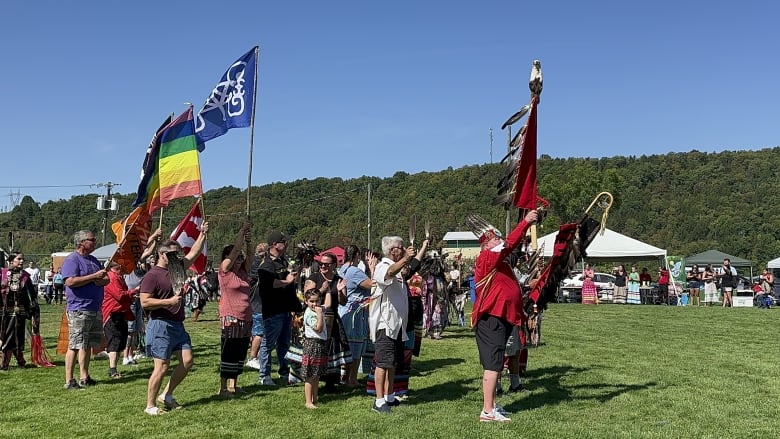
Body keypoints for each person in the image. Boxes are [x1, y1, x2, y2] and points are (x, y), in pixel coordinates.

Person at [469, 210, 538, 423]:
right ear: (485, 245)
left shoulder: (500, 262)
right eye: (495, 238)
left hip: (500, 316)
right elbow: (510, 243)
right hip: (491, 317)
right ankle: (487, 411)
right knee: (492, 364)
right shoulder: (487, 257)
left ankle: (492, 405)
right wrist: (525, 222)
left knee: (497, 362)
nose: (500, 241)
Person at [139, 222, 208, 416]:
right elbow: (145, 302)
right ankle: (150, 405)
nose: (177, 258)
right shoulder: (152, 276)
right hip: (160, 324)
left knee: (187, 361)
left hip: (177, 325)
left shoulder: (176, 268)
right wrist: (168, 301)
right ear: (162, 255)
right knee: (161, 367)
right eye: (173, 254)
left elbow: (193, 254)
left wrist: (203, 234)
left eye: (178, 254)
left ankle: (167, 395)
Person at [369, 236, 414, 414]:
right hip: (384, 323)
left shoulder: (399, 267)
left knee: (393, 363)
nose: (403, 250)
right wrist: (405, 260)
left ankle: (389, 395)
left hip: (397, 325)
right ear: (391, 250)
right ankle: (378, 401)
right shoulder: (382, 266)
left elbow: (403, 271)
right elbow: (387, 274)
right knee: (383, 363)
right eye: (400, 248)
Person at [62, 230, 108, 390]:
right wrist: (93, 277)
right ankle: (69, 380)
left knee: (88, 344)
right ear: (81, 242)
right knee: (75, 344)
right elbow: (70, 281)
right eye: (92, 240)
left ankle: (84, 376)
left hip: (94, 307)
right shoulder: (72, 260)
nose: (94, 242)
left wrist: (102, 279)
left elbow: (103, 279)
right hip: (79, 308)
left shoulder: (93, 260)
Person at [255, 230, 300, 386]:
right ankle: (264, 376)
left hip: (285, 309)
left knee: (284, 344)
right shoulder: (266, 264)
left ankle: (284, 372)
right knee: (268, 344)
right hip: (273, 311)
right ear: (275, 244)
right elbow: (270, 284)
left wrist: (293, 277)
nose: (286, 244)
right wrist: (287, 282)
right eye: (283, 242)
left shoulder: (283, 261)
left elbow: (286, 279)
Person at [217, 222, 253, 398]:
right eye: (235, 257)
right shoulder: (224, 272)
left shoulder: (244, 272)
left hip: (245, 319)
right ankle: (223, 387)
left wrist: (249, 240)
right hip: (230, 318)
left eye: (240, 257)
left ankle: (234, 384)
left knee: (240, 352)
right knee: (229, 352)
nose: (239, 259)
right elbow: (235, 251)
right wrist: (241, 232)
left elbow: (251, 254)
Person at [306, 251, 351, 389]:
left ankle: (331, 380)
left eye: (326, 264)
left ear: (333, 265)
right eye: (321, 264)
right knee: (317, 348)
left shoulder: (339, 280)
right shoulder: (314, 277)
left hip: (332, 318)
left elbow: (344, 301)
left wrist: (339, 291)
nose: (323, 266)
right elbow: (308, 296)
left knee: (334, 348)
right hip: (316, 316)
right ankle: (312, 379)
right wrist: (322, 289)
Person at [338, 244, 376, 387]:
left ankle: (347, 377)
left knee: (348, 345)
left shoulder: (343, 269)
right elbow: (373, 285)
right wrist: (372, 269)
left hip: (345, 310)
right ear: (357, 256)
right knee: (355, 345)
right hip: (355, 313)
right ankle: (351, 379)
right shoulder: (354, 271)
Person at [101, 261, 139, 379]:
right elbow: (119, 295)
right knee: (114, 342)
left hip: (121, 313)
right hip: (112, 314)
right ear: (114, 266)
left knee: (120, 342)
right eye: (120, 264)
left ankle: (114, 367)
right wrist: (135, 290)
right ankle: (112, 370)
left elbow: (124, 296)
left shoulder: (120, 277)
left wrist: (131, 297)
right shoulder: (111, 277)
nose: (123, 266)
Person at [1, 252, 38, 369]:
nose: (22, 261)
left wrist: (33, 313)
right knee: (5, 335)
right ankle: (17, 360)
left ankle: (7, 362)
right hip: (3, 312)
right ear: (11, 261)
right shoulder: (2, 274)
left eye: (23, 259)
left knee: (16, 335)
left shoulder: (25, 276)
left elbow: (32, 296)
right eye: (19, 259)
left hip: (20, 312)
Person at [301, 287, 327, 409]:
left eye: (317, 301)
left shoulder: (318, 309)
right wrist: (320, 314)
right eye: (311, 301)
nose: (315, 304)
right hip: (312, 345)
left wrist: (328, 291)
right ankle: (308, 401)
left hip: (320, 344)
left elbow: (329, 304)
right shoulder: (309, 314)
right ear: (306, 301)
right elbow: (318, 328)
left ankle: (315, 398)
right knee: (310, 375)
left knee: (317, 375)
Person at [245, 243, 267, 370]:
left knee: (256, 332)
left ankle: (256, 355)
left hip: (254, 303)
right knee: (259, 333)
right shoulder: (258, 265)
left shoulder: (252, 264)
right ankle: (253, 357)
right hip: (258, 304)